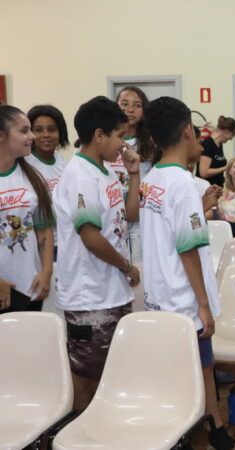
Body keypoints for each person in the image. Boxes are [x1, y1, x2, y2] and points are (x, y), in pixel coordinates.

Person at [141, 96, 235, 450]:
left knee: (191, 371)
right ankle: (210, 437)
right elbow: (187, 247)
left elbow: (170, 232)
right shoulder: (183, 184)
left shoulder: (152, 178)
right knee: (198, 371)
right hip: (183, 298)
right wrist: (203, 305)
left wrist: (201, 213)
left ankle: (215, 432)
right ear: (189, 131)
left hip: (159, 295)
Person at [53, 96, 141, 410]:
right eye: (119, 135)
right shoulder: (80, 175)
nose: (123, 144)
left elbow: (130, 216)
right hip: (89, 295)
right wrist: (127, 266)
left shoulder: (103, 172)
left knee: (108, 371)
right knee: (86, 373)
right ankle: (76, 434)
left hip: (111, 290)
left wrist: (133, 175)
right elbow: (90, 237)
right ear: (99, 135)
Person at [0, 105, 55, 313]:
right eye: (24, 131)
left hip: (29, 288)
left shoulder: (32, 177)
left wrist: (46, 272)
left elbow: (44, 228)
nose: (32, 136)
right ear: (1, 136)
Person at [112, 86, 156, 263]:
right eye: (124, 104)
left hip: (141, 216)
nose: (130, 109)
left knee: (140, 267)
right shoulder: (109, 140)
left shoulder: (151, 142)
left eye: (137, 105)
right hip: (113, 214)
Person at [25, 104, 69, 192]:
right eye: (38, 130)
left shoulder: (63, 162)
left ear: (60, 132)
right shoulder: (24, 163)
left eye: (51, 129)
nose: (46, 135)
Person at [199, 116, 235, 187]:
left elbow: (216, 172)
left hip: (218, 189)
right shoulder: (208, 144)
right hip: (207, 190)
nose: (231, 138)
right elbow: (203, 172)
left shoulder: (219, 144)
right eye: (232, 134)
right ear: (226, 131)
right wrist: (226, 168)